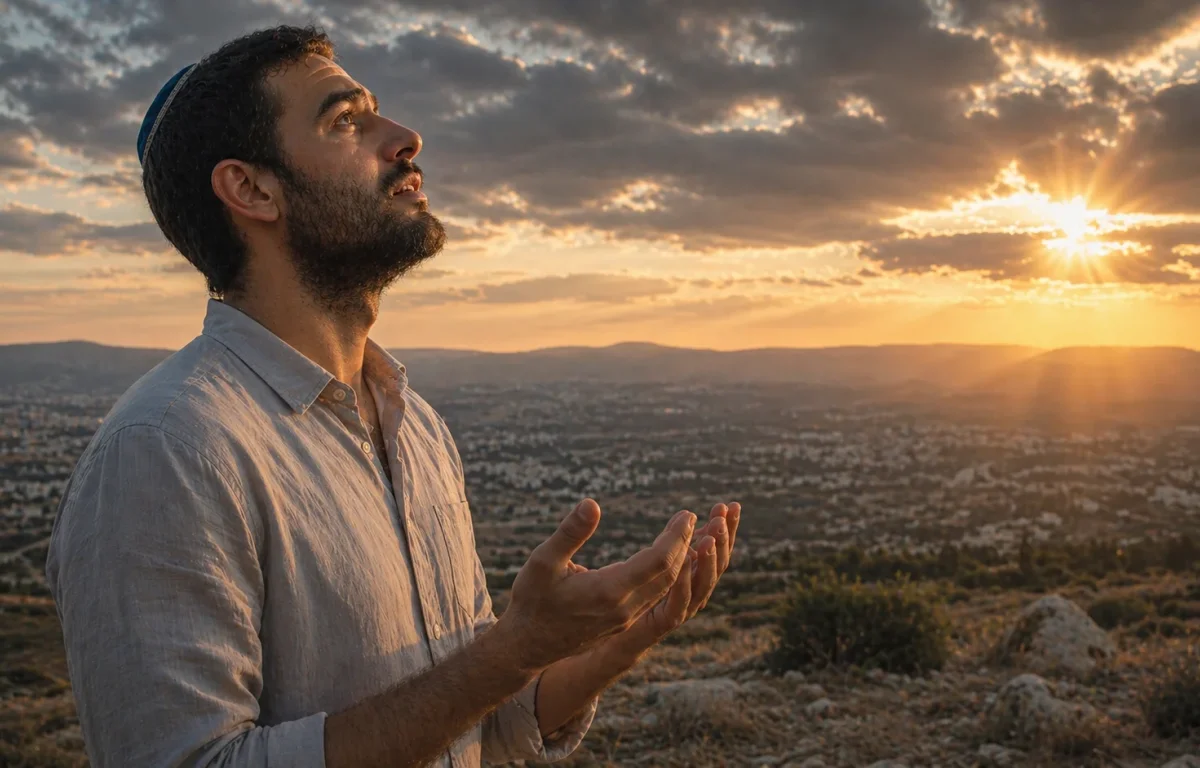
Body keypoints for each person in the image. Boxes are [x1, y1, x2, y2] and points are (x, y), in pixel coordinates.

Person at [44, 24, 742, 768]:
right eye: (347, 121)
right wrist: (511, 654)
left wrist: (615, 639)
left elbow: (473, 723)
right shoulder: (167, 451)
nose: (406, 137)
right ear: (251, 189)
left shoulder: (415, 427)